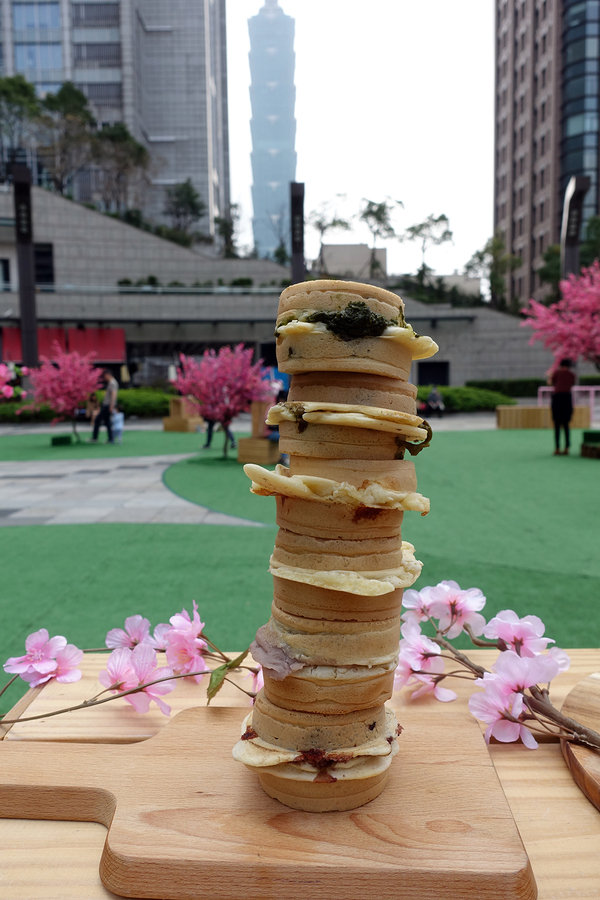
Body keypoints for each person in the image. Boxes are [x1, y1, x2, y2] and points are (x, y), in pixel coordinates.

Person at [550, 358, 576, 455]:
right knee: (566, 425)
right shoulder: (572, 375)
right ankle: (567, 448)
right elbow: (571, 384)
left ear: (561, 365)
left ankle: (557, 448)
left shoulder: (556, 373)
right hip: (567, 400)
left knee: (557, 425)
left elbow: (552, 383)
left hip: (557, 399)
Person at [90, 370, 118, 443]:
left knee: (98, 420)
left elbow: (113, 395)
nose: (105, 378)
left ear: (108, 375)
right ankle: (110, 438)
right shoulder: (111, 383)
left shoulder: (112, 383)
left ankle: (95, 437)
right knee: (107, 422)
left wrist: (112, 405)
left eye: (105, 376)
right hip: (107, 405)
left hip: (107, 405)